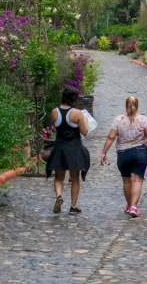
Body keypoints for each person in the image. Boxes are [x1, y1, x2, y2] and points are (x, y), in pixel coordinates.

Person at [101, 96, 147, 217]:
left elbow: (111, 137)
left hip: (122, 153)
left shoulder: (119, 119)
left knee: (126, 181)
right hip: (140, 152)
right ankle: (133, 206)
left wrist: (104, 152)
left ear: (126, 105)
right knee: (136, 180)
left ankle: (128, 205)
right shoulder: (143, 119)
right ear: (137, 106)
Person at [45, 86, 90, 215]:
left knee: (59, 177)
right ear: (74, 98)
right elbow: (84, 132)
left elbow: (56, 125)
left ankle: (59, 196)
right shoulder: (77, 114)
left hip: (59, 148)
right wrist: (85, 120)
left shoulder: (54, 112)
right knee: (75, 178)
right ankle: (73, 207)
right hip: (74, 149)